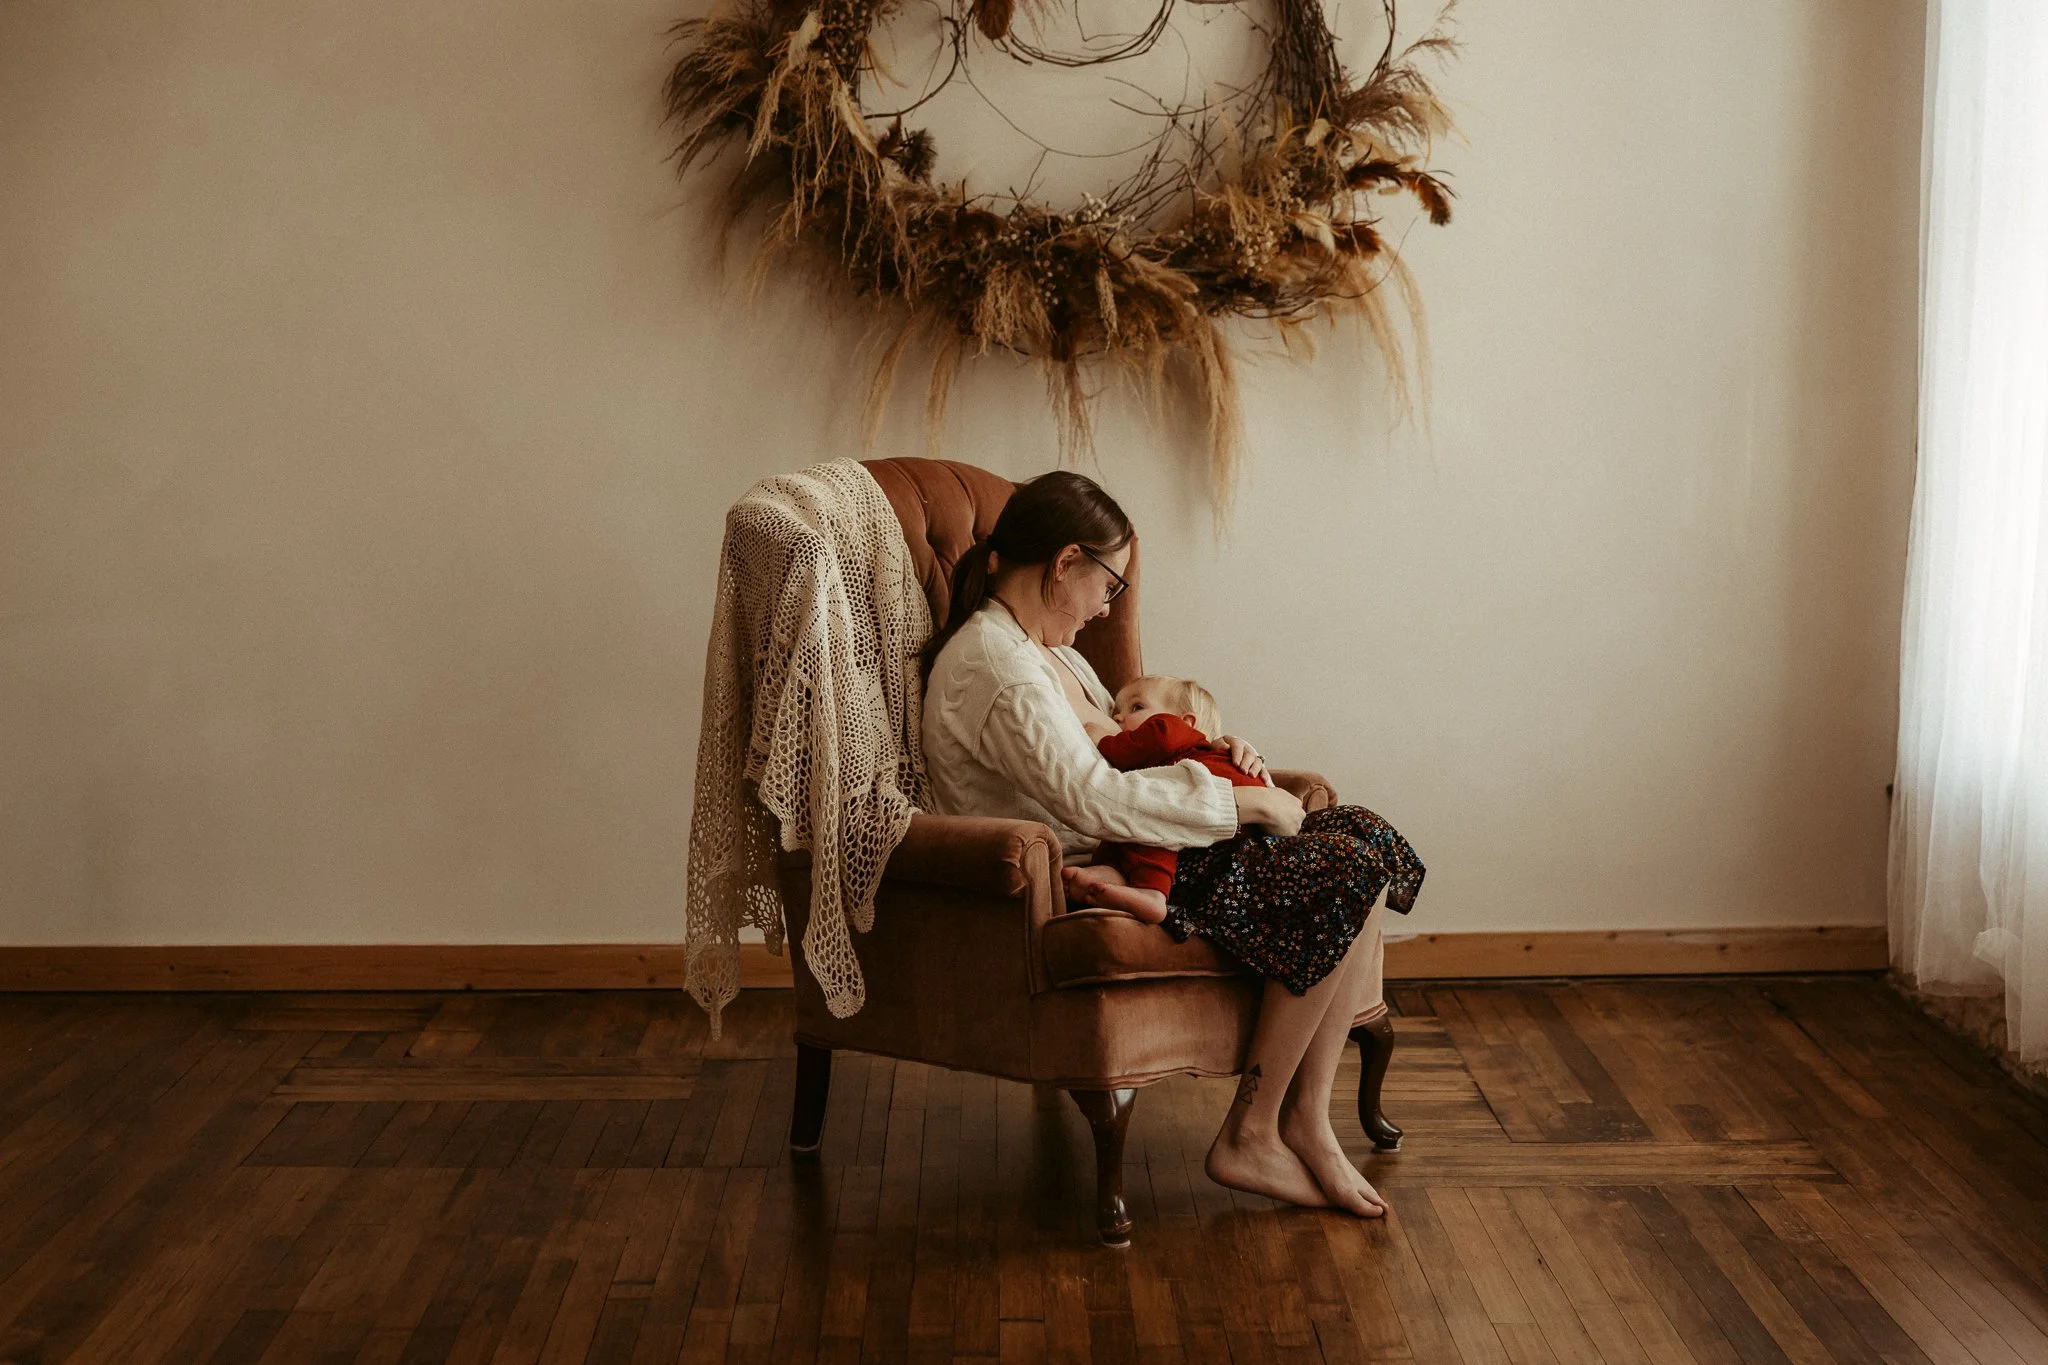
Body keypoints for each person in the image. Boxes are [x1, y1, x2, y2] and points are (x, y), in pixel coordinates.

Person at [919, 470, 1425, 1218]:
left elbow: (1124, 746)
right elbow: (1089, 797)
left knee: (1364, 837)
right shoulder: (998, 665)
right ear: (1065, 563)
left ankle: (1304, 1120)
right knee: (1349, 861)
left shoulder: (1046, 650)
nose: (1106, 607)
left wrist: (1223, 748)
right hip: (1113, 858)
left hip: (1153, 838)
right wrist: (1241, 801)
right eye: (1109, 585)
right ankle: (1254, 1131)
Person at [1065, 675, 1269, 923]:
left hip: (1223, 785)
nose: (1117, 718)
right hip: (1239, 829)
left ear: (1187, 721)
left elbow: (1149, 742)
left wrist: (1103, 740)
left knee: (1147, 812)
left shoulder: (1171, 729)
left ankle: (1151, 892)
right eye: (1115, 711)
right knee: (1140, 819)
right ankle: (1114, 875)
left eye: (1137, 707)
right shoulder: (1167, 763)